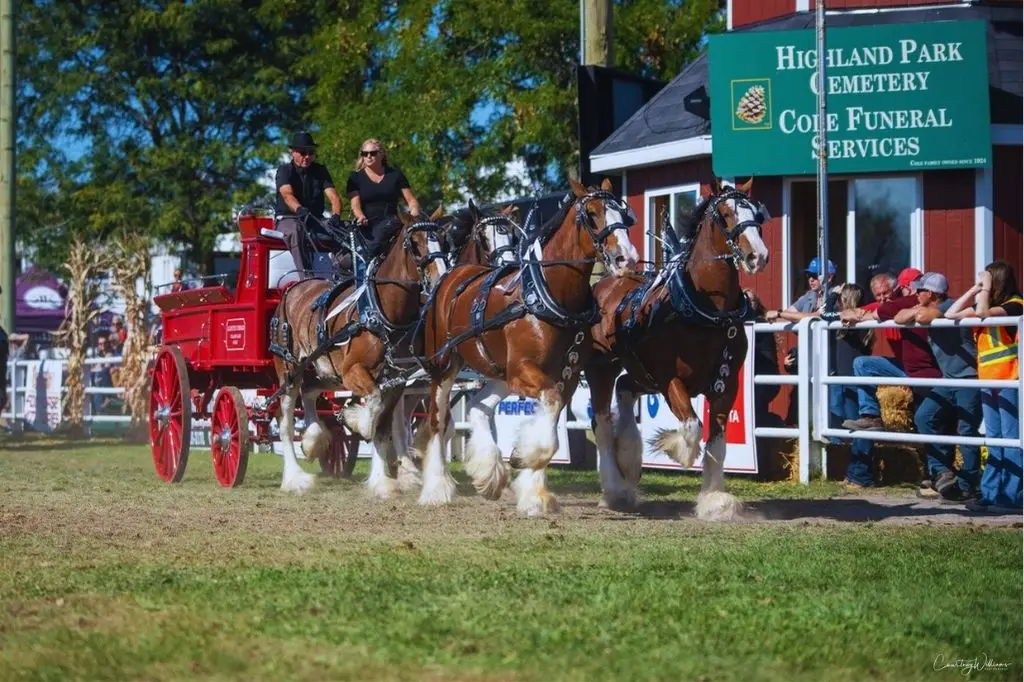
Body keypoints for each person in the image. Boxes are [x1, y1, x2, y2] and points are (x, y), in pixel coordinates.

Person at [945, 260, 1023, 513]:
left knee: (1011, 441)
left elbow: (982, 314)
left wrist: (985, 290)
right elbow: (951, 314)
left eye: (988, 280)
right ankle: (990, 494)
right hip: (989, 381)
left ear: (997, 281)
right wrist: (974, 288)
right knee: (994, 440)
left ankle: (1011, 496)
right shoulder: (988, 304)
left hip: (1010, 380)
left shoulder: (1015, 305)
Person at [896, 272, 981, 502]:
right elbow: (899, 318)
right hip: (948, 379)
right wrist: (914, 311)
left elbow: (926, 316)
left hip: (968, 378)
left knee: (967, 432)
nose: (916, 293)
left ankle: (969, 486)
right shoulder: (925, 307)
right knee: (924, 417)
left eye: (920, 290)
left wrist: (916, 312)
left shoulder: (951, 306)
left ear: (931, 294)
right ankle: (942, 472)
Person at [275, 131, 344, 276]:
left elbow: (334, 197)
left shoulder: (320, 171)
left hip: (314, 219)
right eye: (302, 152)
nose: (307, 157)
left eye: (311, 152)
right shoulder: (284, 171)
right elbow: (287, 195)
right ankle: (306, 277)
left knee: (345, 231)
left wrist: (336, 217)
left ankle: (344, 276)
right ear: (293, 152)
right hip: (289, 218)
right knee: (296, 230)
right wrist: (299, 209)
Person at [346, 138, 421, 263]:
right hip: (368, 228)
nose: (369, 156)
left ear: (381, 154)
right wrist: (360, 216)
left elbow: (412, 201)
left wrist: (413, 214)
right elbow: (355, 205)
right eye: (365, 154)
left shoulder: (396, 174)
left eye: (373, 153)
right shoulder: (355, 178)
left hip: (393, 223)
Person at [830, 284, 875, 488]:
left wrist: (832, 295)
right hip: (849, 379)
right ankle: (855, 473)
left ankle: (861, 476)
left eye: (841, 299)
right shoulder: (852, 321)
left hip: (855, 380)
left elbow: (825, 313)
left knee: (861, 428)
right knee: (853, 427)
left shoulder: (852, 321)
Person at [765, 257, 836, 323]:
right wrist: (773, 317)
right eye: (809, 275)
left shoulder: (835, 295)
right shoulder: (809, 295)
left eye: (815, 275)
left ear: (829, 277)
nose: (811, 279)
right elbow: (789, 313)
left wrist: (779, 314)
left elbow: (816, 317)